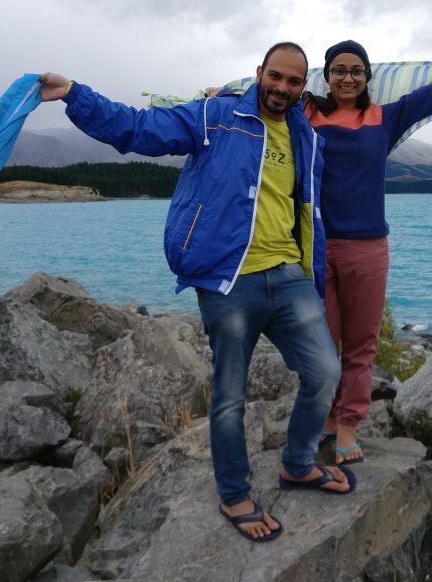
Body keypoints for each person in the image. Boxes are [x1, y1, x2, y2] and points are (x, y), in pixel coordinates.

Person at [38, 42, 352, 544]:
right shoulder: (216, 115)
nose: (283, 88)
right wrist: (76, 95)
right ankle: (233, 492)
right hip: (229, 278)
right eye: (276, 77)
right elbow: (138, 128)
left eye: (294, 82)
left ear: (302, 86)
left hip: (288, 274)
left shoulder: (306, 137)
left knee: (325, 373)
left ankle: (297, 462)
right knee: (230, 394)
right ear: (259, 73)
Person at [304, 40, 432, 466]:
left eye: (357, 70)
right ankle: (322, 414)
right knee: (321, 343)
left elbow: (429, 97)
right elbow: (265, 92)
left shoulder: (384, 117)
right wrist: (218, 98)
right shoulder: (307, 113)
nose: (348, 77)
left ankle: (347, 425)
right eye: (339, 69)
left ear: (367, 77)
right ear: (326, 75)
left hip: (367, 248)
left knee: (360, 344)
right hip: (316, 245)